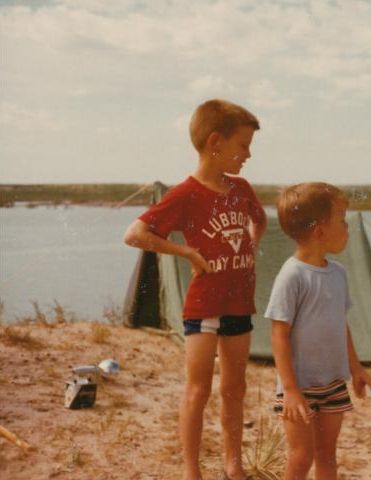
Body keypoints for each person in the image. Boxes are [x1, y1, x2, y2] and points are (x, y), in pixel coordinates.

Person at [123, 99, 267, 480]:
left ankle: (232, 462)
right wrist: (184, 250)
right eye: (243, 146)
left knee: (235, 387)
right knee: (197, 390)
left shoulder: (242, 188)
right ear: (215, 142)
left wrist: (251, 241)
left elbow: (259, 220)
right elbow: (134, 234)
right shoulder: (185, 193)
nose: (248, 155)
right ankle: (191, 470)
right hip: (203, 306)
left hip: (239, 303)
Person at [265, 182, 371, 480]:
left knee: (327, 456)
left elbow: (339, 324)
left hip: (332, 382)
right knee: (301, 457)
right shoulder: (291, 275)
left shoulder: (339, 274)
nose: (347, 227)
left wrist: (356, 368)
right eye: (342, 220)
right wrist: (290, 390)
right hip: (298, 386)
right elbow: (278, 334)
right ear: (319, 231)